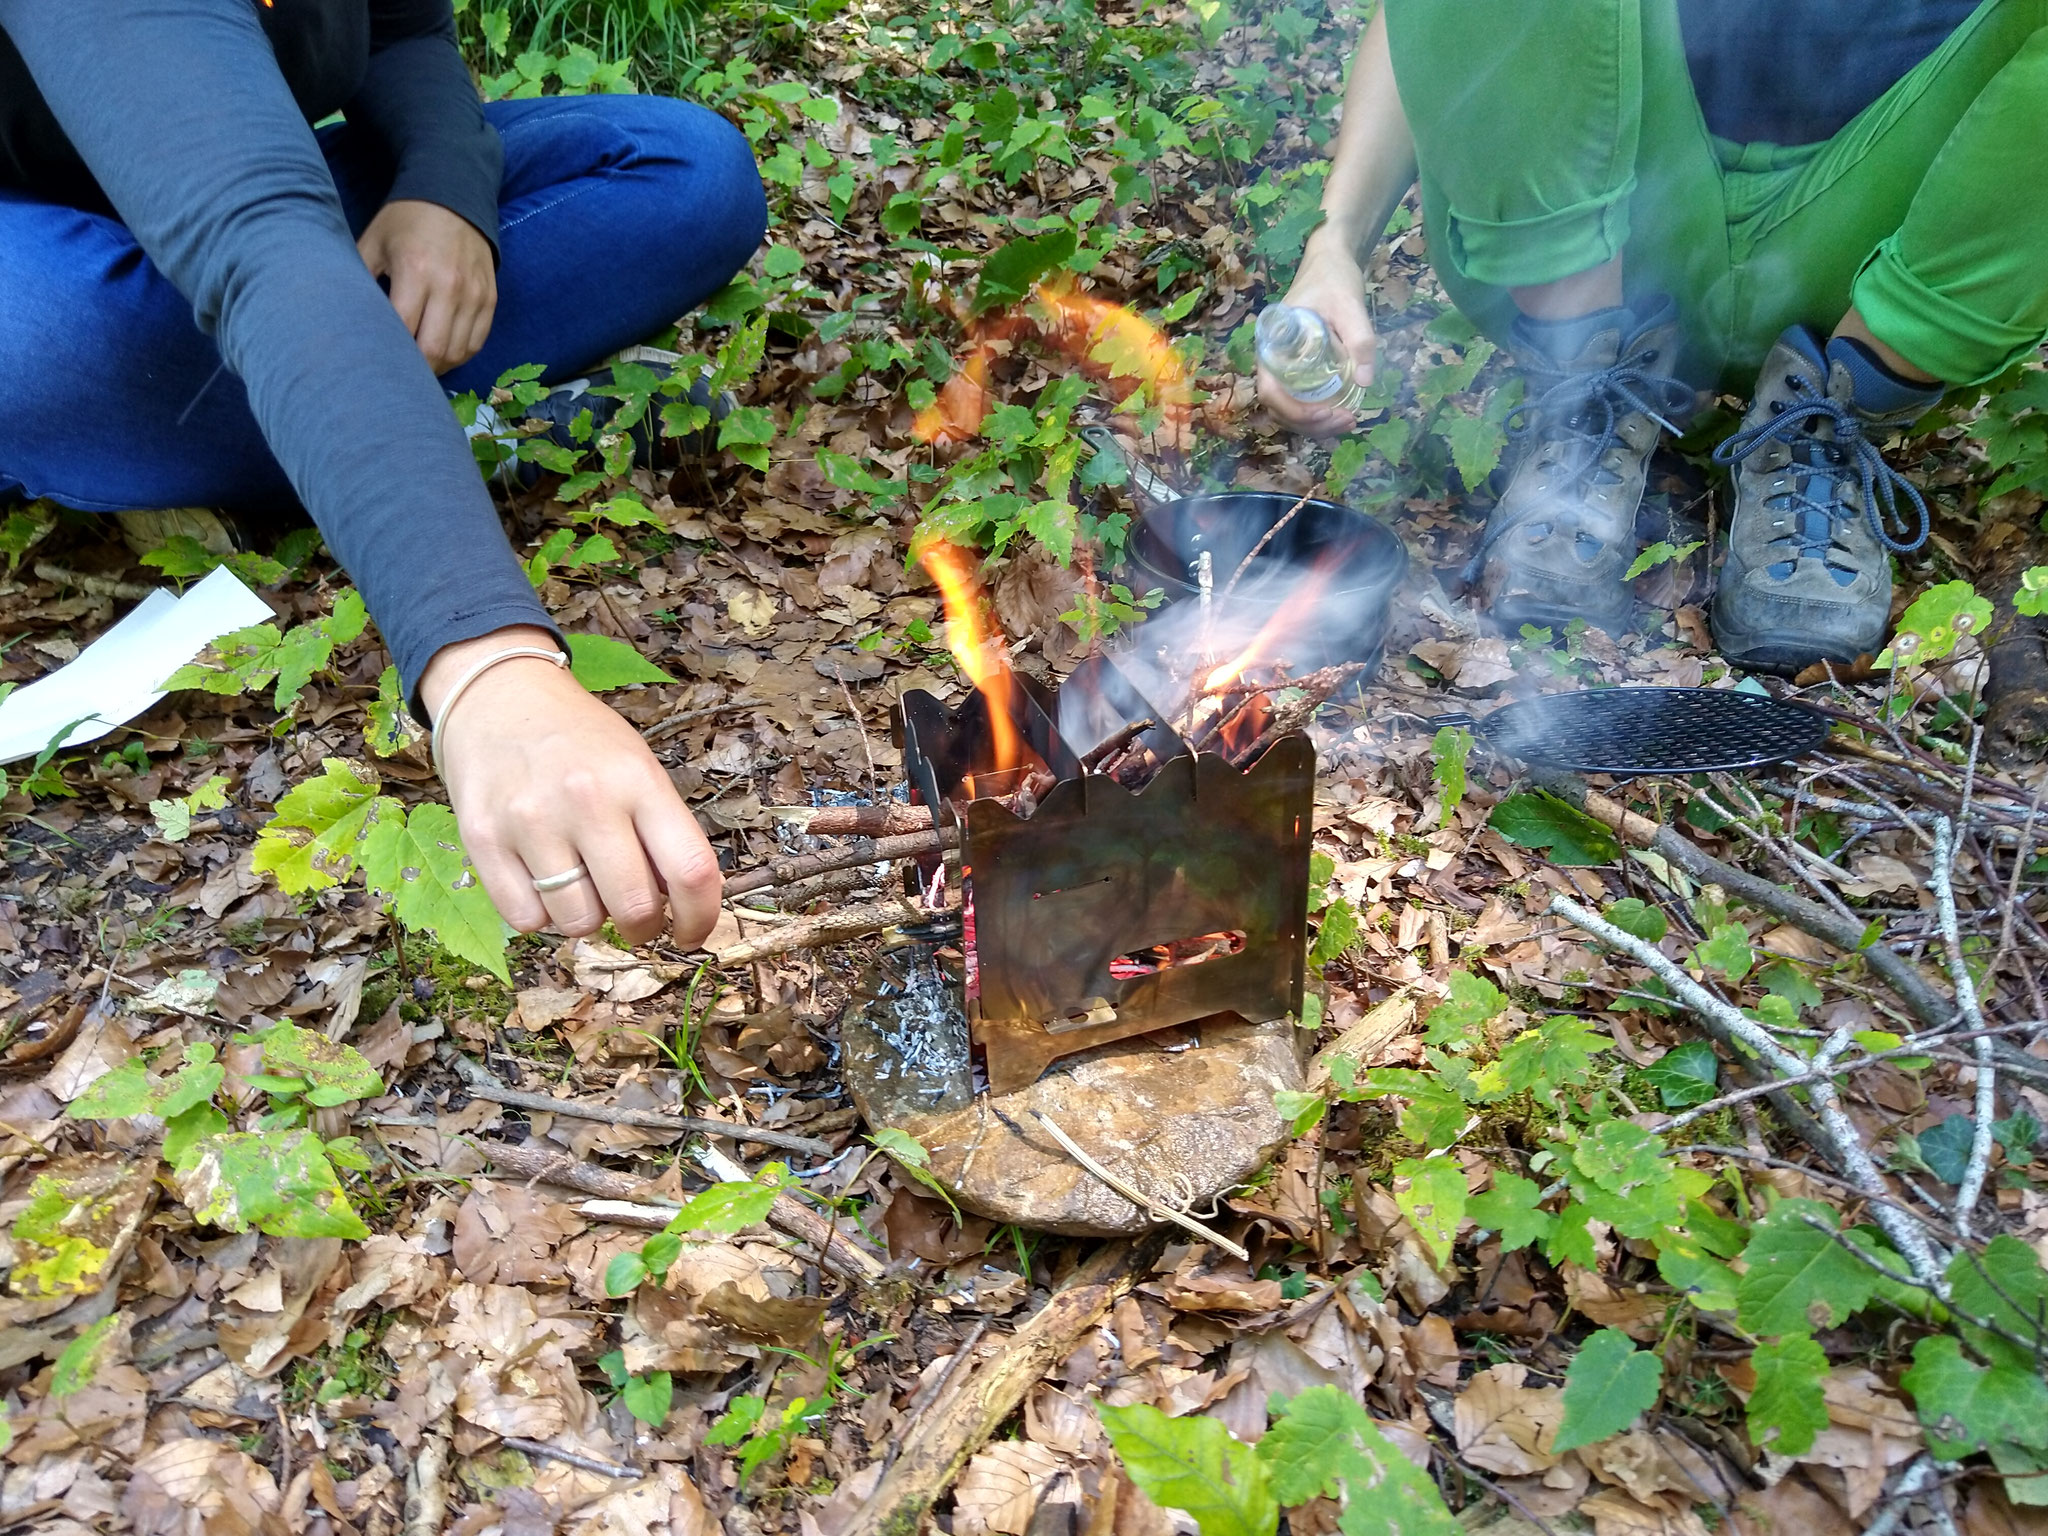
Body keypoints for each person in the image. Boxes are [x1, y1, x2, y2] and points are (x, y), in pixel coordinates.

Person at [0, 0, 769, 949]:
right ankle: (378, 418)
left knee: (684, 169)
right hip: (52, 246)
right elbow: (258, 242)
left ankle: (334, 410)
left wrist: (444, 188)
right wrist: (488, 664)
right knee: (59, 353)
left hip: (264, 184)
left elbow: (405, 28)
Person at [1261, 0, 2045, 675]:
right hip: (1617, 225)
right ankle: (1588, 387)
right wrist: (1333, 245)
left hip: (1876, 242)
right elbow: (1435, 22)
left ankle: (1833, 413)